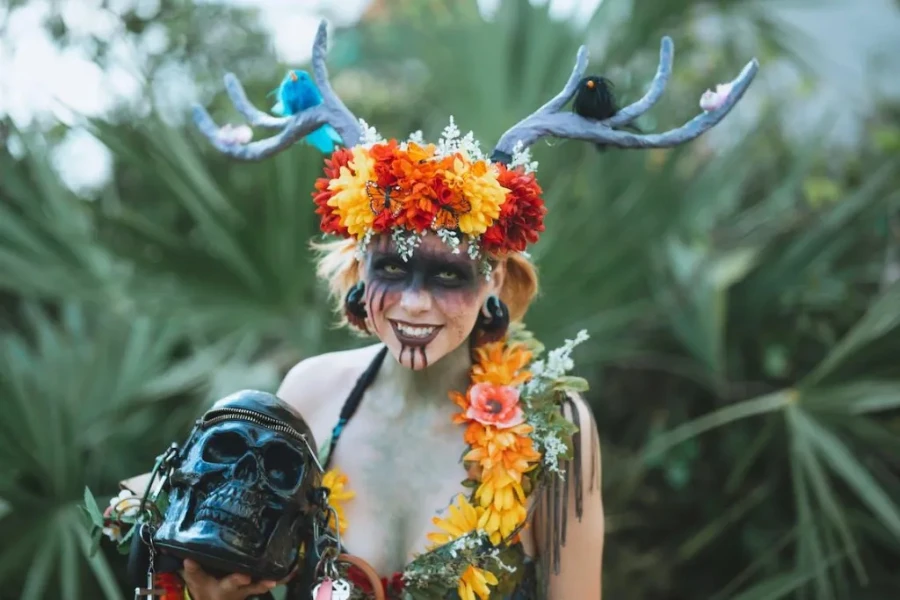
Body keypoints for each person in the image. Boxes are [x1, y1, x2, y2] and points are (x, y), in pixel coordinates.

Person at [125, 19, 757, 600]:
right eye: (391, 268)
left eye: (449, 274)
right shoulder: (310, 394)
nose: (413, 302)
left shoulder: (552, 427)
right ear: (358, 266)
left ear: (495, 281)